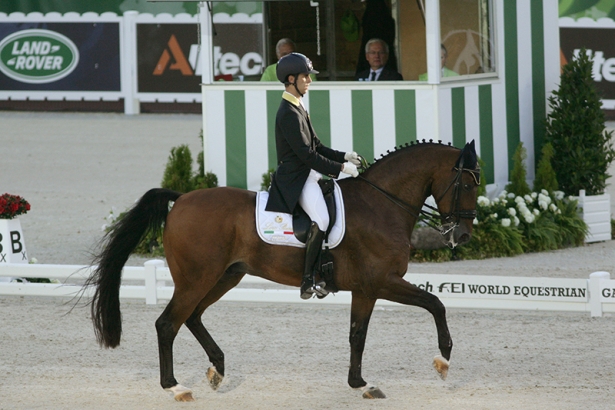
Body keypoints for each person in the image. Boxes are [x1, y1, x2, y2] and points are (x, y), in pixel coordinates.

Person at [265, 52, 361, 299]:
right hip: (295, 179)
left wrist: (344, 156)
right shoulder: (287, 112)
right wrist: (339, 170)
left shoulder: (298, 106)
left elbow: (316, 145)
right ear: (291, 79)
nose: (309, 81)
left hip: (307, 174)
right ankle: (308, 280)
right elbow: (307, 155)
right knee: (323, 219)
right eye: (305, 76)